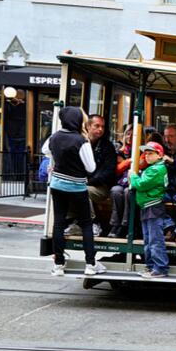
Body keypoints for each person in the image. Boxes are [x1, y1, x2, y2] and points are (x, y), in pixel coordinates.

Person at [42, 106, 106, 277]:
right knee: (86, 223)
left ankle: (58, 265)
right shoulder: (81, 141)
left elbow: (45, 151)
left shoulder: (54, 137)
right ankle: (90, 264)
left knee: (59, 223)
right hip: (77, 187)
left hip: (57, 186)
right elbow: (91, 167)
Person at [129, 141, 171, 279]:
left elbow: (141, 185)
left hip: (153, 207)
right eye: (145, 153)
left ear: (160, 155)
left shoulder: (156, 169)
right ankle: (151, 266)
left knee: (155, 240)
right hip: (148, 207)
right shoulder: (154, 168)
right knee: (148, 240)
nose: (147, 156)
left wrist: (133, 176)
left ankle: (160, 267)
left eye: (150, 153)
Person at [84, 114, 118, 236]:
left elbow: (108, 172)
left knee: (82, 191)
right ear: (88, 126)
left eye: (102, 127)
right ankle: (73, 222)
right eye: (97, 126)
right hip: (84, 183)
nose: (100, 129)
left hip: (101, 186)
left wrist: (89, 181)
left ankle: (93, 223)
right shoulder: (81, 143)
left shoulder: (107, 146)